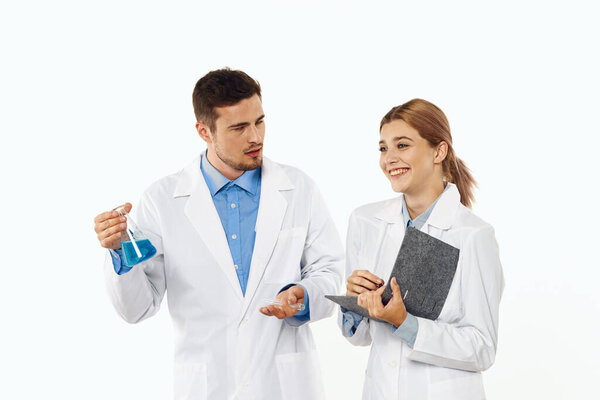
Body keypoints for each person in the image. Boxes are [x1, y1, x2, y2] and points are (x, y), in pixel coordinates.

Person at [93, 68, 343, 400]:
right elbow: (136, 309)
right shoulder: (162, 200)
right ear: (204, 131)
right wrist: (120, 251)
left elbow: (329, 270)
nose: (255, 137)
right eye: (239, 127)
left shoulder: (299, 189)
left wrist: (304, 295)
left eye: (259, 121)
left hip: (284, 385)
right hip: (207, 386)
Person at [340, 99, 504, 400]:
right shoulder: (364, 221)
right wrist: (354, 304)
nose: (389, 158)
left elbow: (482, 348)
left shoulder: (472, 235)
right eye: (383, 148)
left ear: (439, 152)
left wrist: (406, 323)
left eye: (402, 145)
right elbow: (361, 337)